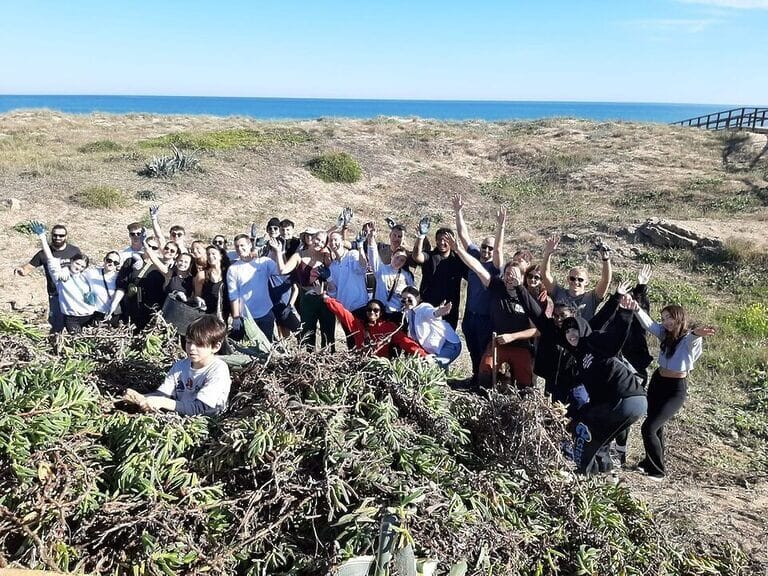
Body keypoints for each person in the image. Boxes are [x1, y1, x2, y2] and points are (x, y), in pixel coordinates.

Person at [558, 294, 647, 475]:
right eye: (567, 331)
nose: (571, 334)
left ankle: (583, 474)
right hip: (625, 402)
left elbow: (614, 340)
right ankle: (605, 475)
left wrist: (624, 313)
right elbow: (594, 395)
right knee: (598, 434)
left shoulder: (593, 341)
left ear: (583, 328)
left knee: (586, 429)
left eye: (574, 328)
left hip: (626, 397)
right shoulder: (581, 359)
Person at [633, 302, 716, 479]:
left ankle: (658, 471)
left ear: (679, 317)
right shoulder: (665, 335)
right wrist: (635, 308)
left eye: (669, 318)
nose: (666, 322)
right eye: (663, 319)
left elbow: (693, 338)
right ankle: (650, 462)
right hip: (658, 382)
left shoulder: (688, 340)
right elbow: (649, 324)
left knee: (649, 428)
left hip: (675, 389)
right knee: (656, 426)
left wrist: (697, 333)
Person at [449, 235, 538, 389]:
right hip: (498, 344)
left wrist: (513, 336)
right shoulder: (497, 286)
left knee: (524, 383)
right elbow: (477, 266)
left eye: (514, 275)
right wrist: (458, 250)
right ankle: (483, 397)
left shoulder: (527, 297)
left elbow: (537, 330)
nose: (510, 277)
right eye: (508, 274)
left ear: (523, 277)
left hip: (520, 346)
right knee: (485, 371)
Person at [123, 315, 231, 416]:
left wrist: (163, 402)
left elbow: (200, 408)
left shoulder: (218, 370)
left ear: (216, 347)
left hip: (209, 423)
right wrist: (140, 398)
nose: (191, 348)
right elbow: (163, 394)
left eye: (199, 344)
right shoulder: (180, 366)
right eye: (189, 342)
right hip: (179, 417)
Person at [452, 194, 502, 383]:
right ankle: (475, 378)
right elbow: (463, 235)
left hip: (485, 318)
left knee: (484, 351)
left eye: (490, 248)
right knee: (472, 348)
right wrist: (458, 212)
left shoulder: (496, 267)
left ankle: (485, 383)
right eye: (484, 247)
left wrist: (500, 226)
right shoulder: (473, 254)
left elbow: (498, 250)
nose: (486, 251)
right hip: (469, 314)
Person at [28, 222, 95, 334]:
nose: (78, 267)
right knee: (61, 330)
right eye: (77, 264)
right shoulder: (60, 275)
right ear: (71, 261)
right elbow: (49, 257)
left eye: (82, 266)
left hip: (88, 315)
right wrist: (43, 238)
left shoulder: (84, 277)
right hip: (72, 316)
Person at [14, 222, 81, 333]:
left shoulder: (74, 251)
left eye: (61, 235)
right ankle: (57, 344)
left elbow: (82, 266)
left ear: (66, 236)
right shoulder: (43, 253)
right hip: (55, 295)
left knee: (73, 323)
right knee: (56, 324)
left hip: (73, 294)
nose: (58, 238)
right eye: (55, 235)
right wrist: (21, 270)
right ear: (52, 236)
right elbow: (28, 268)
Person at [322, 293, 426, 359]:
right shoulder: (358, 325)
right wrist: (326, 298)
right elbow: (342, 313)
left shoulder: (389, 327)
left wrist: (424, 355)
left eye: (376, 310)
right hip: (361, 363)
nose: (372, 312)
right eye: (369, 310)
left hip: (381, 365)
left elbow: (405, 341)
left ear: (381, 313)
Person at [541, 235, 612, 321]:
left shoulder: (592, 297)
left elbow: (605, 280)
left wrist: (606, 259)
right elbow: (545, 275)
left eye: (580, 279)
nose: (576, 281)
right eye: (572, 278)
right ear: (568, 279)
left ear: (586, 282)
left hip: (583, 333)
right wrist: (548, 254)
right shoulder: (558, 292)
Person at [411, 220, 467, 329]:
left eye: (445, 239)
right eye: (439, 239)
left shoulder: (458, 260)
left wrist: (459, 249)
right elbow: (416, 256)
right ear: (436, 241)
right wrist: (421, 237)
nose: (442, 242)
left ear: (452, 241)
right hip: (429, 307)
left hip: (449, 309)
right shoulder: (430, 256)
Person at [227, 233, 280, 341]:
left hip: (265, 313)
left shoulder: (264, 262)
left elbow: (280, 271)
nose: (239, 248)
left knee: (267, 345)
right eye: (237, 246)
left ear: (250, 244)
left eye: (242, 245)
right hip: (246, 317)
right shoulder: (233, 269)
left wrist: (278, 252)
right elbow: (233, 295)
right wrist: (236, 317)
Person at [401, 286, 462, 369]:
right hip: (435, 348)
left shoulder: (423, 308)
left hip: (449, 344)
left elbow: (432, 313)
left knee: (432, 368)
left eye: (409, 299)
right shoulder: (410, 312)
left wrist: (439, 311)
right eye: (403, 299)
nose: (406, 302)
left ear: (418, 298)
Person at [115, 235, 167, 331]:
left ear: (159, 250)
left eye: (154, 248)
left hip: (150, 310)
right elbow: (121, 285)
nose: (150, 249)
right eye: (148, 246)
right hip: (130, 307)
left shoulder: (161, 266)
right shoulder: (131, 261)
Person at [366, 226, 415, 322]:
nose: (398, 261)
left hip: (397, 314)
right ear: (392, 256)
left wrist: (408, 304)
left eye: (402, 260)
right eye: (397, 258)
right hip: (380, 313)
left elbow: (413, 293)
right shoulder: (381, 269)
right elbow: (373, 255)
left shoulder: (406, 275)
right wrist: (371, 237)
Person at [87, 251, 124, 324]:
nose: (111, 264)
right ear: (104, 260)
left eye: (115, 263)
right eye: (109, 260)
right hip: (97, 314)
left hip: (114, 315)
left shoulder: (119, 277)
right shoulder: (93, 273)